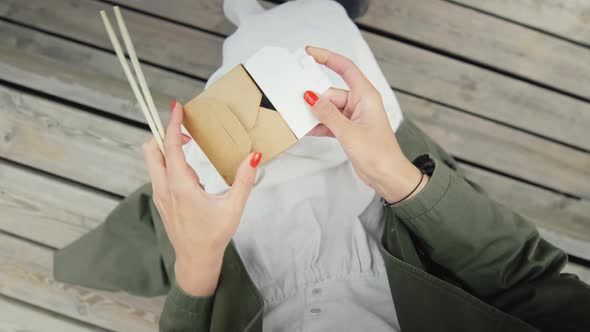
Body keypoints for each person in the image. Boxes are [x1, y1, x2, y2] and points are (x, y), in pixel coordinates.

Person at [54, 1, 590, 331]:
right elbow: (528, 278)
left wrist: (196, 264)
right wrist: (400, 180)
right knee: (310, 58)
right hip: (389, 217)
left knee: (223, 118)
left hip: (239, 256)